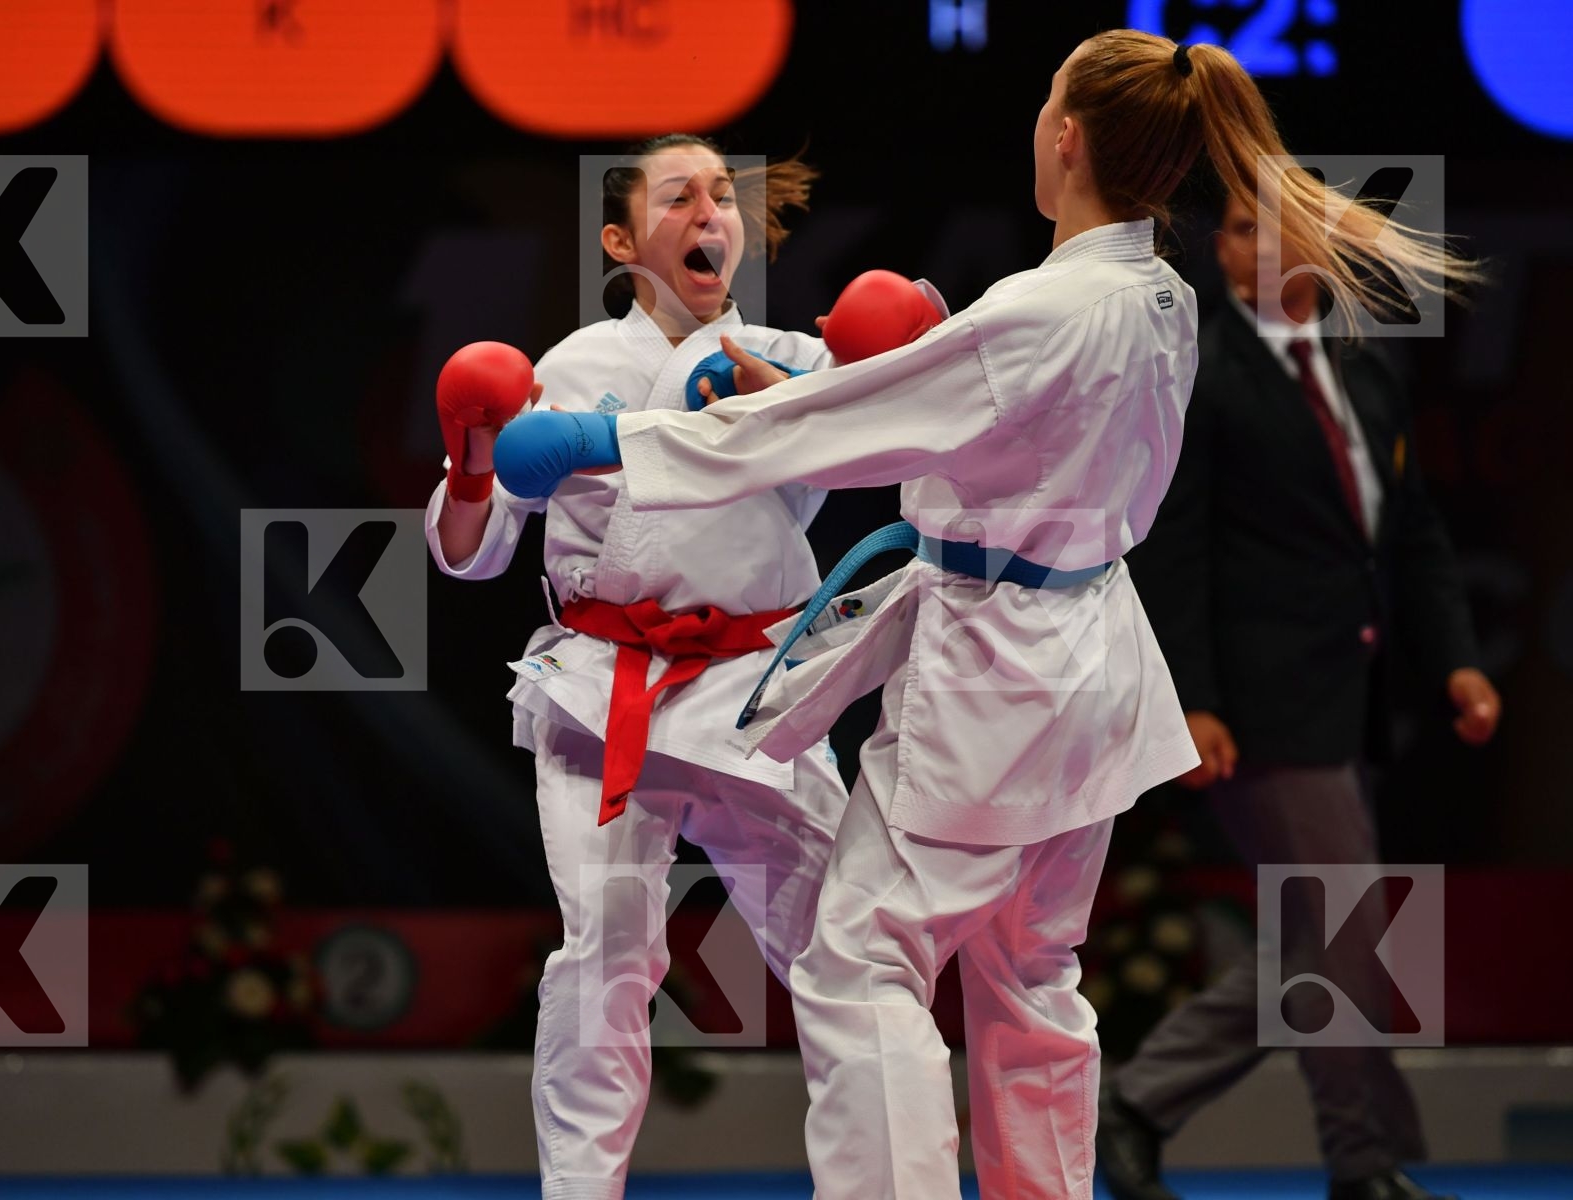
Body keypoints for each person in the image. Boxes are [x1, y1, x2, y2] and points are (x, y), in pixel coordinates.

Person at [490, 31, 1479, 1200]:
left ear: (1065, 137)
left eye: (1045, 104)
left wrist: (618, 441)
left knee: (858, 965)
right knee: (1029, 972)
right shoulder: (1162, 297)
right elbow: (921, 415)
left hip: (996, 672)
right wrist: (803, 393)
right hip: (1089, 655)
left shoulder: (1042, 311)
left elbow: (861, 424)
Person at [427, 133, 856, 1200]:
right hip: (605, 689)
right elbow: (471, 554)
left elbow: (898, 458)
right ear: (622, 242)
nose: (710, 210)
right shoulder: (570, 368)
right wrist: (474, 457)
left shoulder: (799, 362)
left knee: (850, 960)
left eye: (721, 194)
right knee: (604, 964)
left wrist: (786, 402)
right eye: (679, 197)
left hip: (759, 692)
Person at [1092, 191, 1500, 1200]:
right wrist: (1193, 698)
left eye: (1283, 225)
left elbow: (1409, 534)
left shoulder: (1366, 368)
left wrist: (1455, 656)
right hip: (1258, 704)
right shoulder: (1203, 376)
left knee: (1321, 938)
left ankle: (1144, 1105)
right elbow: (1171, 549)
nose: (1263, 244)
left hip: (1350, 698)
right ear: (1222, 257)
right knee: (1346, 927)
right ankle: (1350, 1161)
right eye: (1241, 228)